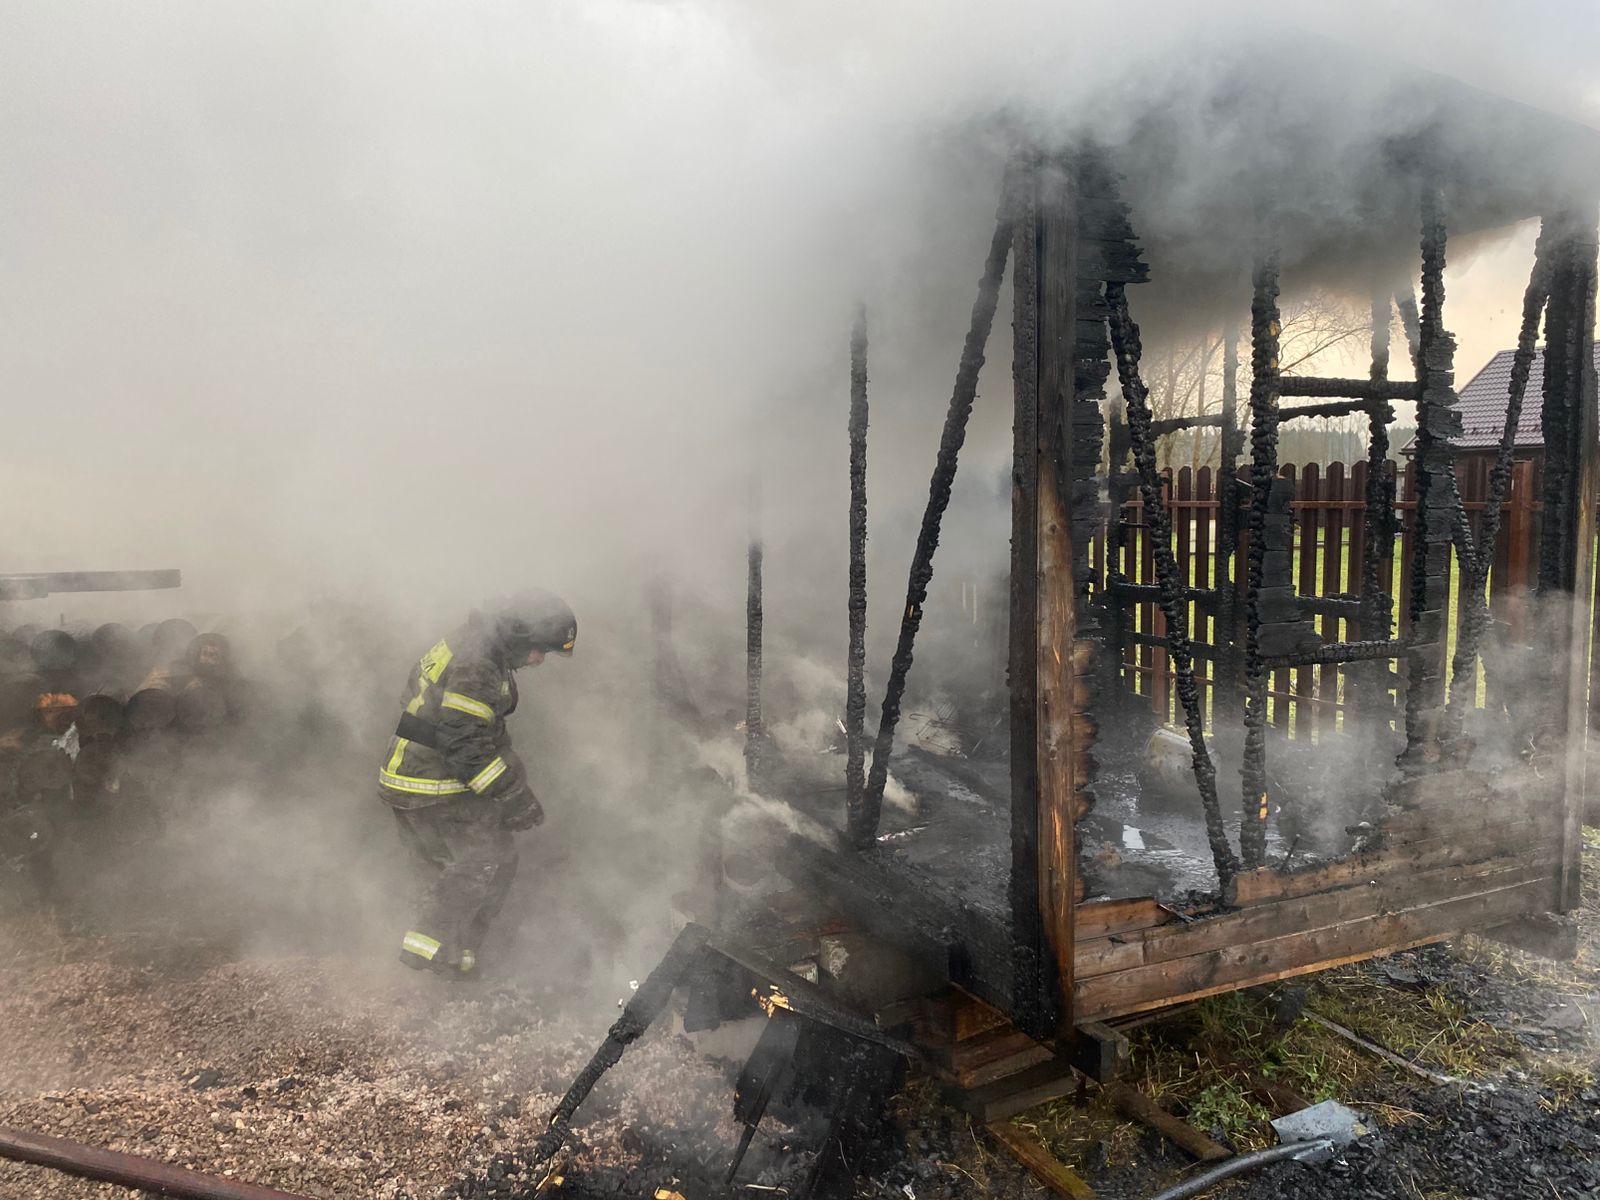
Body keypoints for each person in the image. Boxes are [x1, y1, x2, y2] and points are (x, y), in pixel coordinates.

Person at [378, 590, 575, 978]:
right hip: (429, 782)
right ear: (519, 632)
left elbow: (479, 733)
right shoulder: (478, 664)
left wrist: (513, 789)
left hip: (409, 775)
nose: (538, 659)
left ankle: (453, 959)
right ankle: (424, 947)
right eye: (539, 649)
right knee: (488, 858)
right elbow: (466, 745)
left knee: (453, 867)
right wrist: (513, 797)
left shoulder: (474, 644)